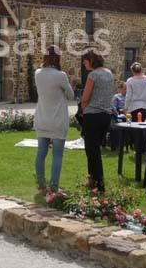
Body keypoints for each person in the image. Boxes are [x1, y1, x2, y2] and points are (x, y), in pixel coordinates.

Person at [33, 46, 74, 192]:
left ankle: (41, 184)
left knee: (41, 153)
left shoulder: (38, 73)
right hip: (57, 119)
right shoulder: (60, 75)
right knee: (57, 155)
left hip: (42, 117)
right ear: (58, 58)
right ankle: (54, 186)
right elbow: (71, 95)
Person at [80, 50, 114, 191]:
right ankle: (94, 181)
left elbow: (85, 97)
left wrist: (82, 108)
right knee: (96, 150)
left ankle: (97, 184)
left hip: (92, 115)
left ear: (91, 60)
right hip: (105, 115)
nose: (84, 63)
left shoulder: (93, 75)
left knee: (91, 151)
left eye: (85, 61)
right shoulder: (109, 73)